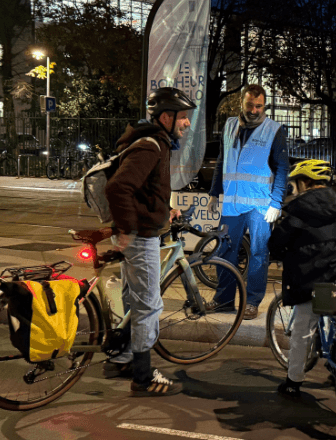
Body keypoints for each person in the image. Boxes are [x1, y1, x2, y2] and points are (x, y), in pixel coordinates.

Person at [104, 87, 196, 395]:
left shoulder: (156, 143)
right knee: (148, 306)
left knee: (135, 300)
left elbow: (145, 187)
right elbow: (119, 188)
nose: (186, 123)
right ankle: (143, 377)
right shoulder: (151, 146)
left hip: (141, 230)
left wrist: (164, 207)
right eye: (183, 117)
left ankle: (122, 357)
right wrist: (129, 228)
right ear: (166, 117)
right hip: (141, 236)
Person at [268, 159, 336, 398]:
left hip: (313, 278)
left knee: (302, 331)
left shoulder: (299, 208)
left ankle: (293, 381)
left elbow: (278, 241)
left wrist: (278, 253)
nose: (293, 188)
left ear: (305, 182)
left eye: (295, 183)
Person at [208, 84, 289, 320]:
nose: (254, 110)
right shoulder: (230, 125)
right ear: (241, 103)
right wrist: (214, 192)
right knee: (224, 251)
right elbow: (222, 160)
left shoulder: (273, 130)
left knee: (258, 253)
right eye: (250, 105)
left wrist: (276, 202)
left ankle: (252, 302)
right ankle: (223, 300)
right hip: (232, 203)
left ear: (264, 106)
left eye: (259, 106)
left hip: (260, 204)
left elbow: (283, 168)